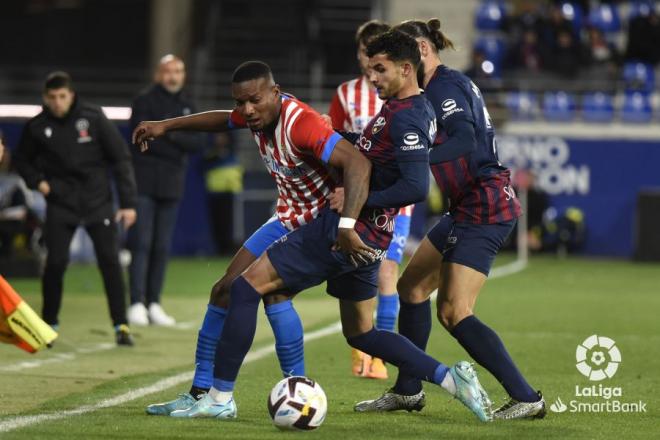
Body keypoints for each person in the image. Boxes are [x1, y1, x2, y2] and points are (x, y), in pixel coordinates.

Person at [164, 30, 493, 423]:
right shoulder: (399, 107)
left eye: (379, 69)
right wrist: (343, 136)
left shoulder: (406, 115)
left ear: (407, 69)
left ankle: (219, 397)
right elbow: (373, 154)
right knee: (361, 333)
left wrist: (350, 215)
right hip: (370, 236)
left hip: (343, 231)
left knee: (245, 287)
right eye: (370, 68)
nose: (371, 77)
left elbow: (407, 183)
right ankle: (451, 378)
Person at [134, 60, 362, 415]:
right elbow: (220, 118)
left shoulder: (302, 124)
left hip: (317, 224)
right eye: (241, 102)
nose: (246, 110)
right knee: (224, 288)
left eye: (253, 100)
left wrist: (346, 207)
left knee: (265, 292)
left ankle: (269, 395)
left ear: (275, 92)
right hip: (287, 216)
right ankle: (202, 393)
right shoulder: (254, 112)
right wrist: (166, 126)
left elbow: (357, 162)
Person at [353, 19, 545, 420]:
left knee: (453, 311)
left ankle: (527, 396)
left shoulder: (444, 86)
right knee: (411, 289)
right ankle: (408, 391)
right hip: (465, 205)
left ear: (421, 50)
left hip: (484, 203)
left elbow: (464, 137)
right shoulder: (428, 91)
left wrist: (417, 158)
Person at [13, 72, 137, 346]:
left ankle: (121, 325)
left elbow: (120, 158)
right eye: (52, 97)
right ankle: (48, 325)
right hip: (61, 204)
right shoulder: (37, 126)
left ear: (71, 95)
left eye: (62, 96)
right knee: (55, 263)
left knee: (110, 263)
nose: (57, 102)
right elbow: (22, 160)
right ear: (45, 98)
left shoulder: (93, 117)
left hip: (97, 202)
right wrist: (39, 183)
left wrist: (128, 203)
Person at [329, 19, 413, 380]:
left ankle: (378, 357)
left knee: (387, 271)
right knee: (356, 273)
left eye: (376, 55)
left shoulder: (402, 92)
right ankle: (360, 350)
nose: (369, 62)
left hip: (395, 202)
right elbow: (332, 143)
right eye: (365, 53)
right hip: (355, 200)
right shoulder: (346, 93)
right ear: (359, 53)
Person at [127, 55, 205, 327]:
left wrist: (165, 132)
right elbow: (138, 138)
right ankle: (136, 302)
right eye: (168, 71)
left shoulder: (188, 104)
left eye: (178, 71)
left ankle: (154, 303)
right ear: (158, 74)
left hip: (172, 182)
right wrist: (175, 139)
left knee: (161, 246)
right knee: (141, 243)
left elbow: (198, 143)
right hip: (145, 180)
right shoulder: (144, 100)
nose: (173, 76)